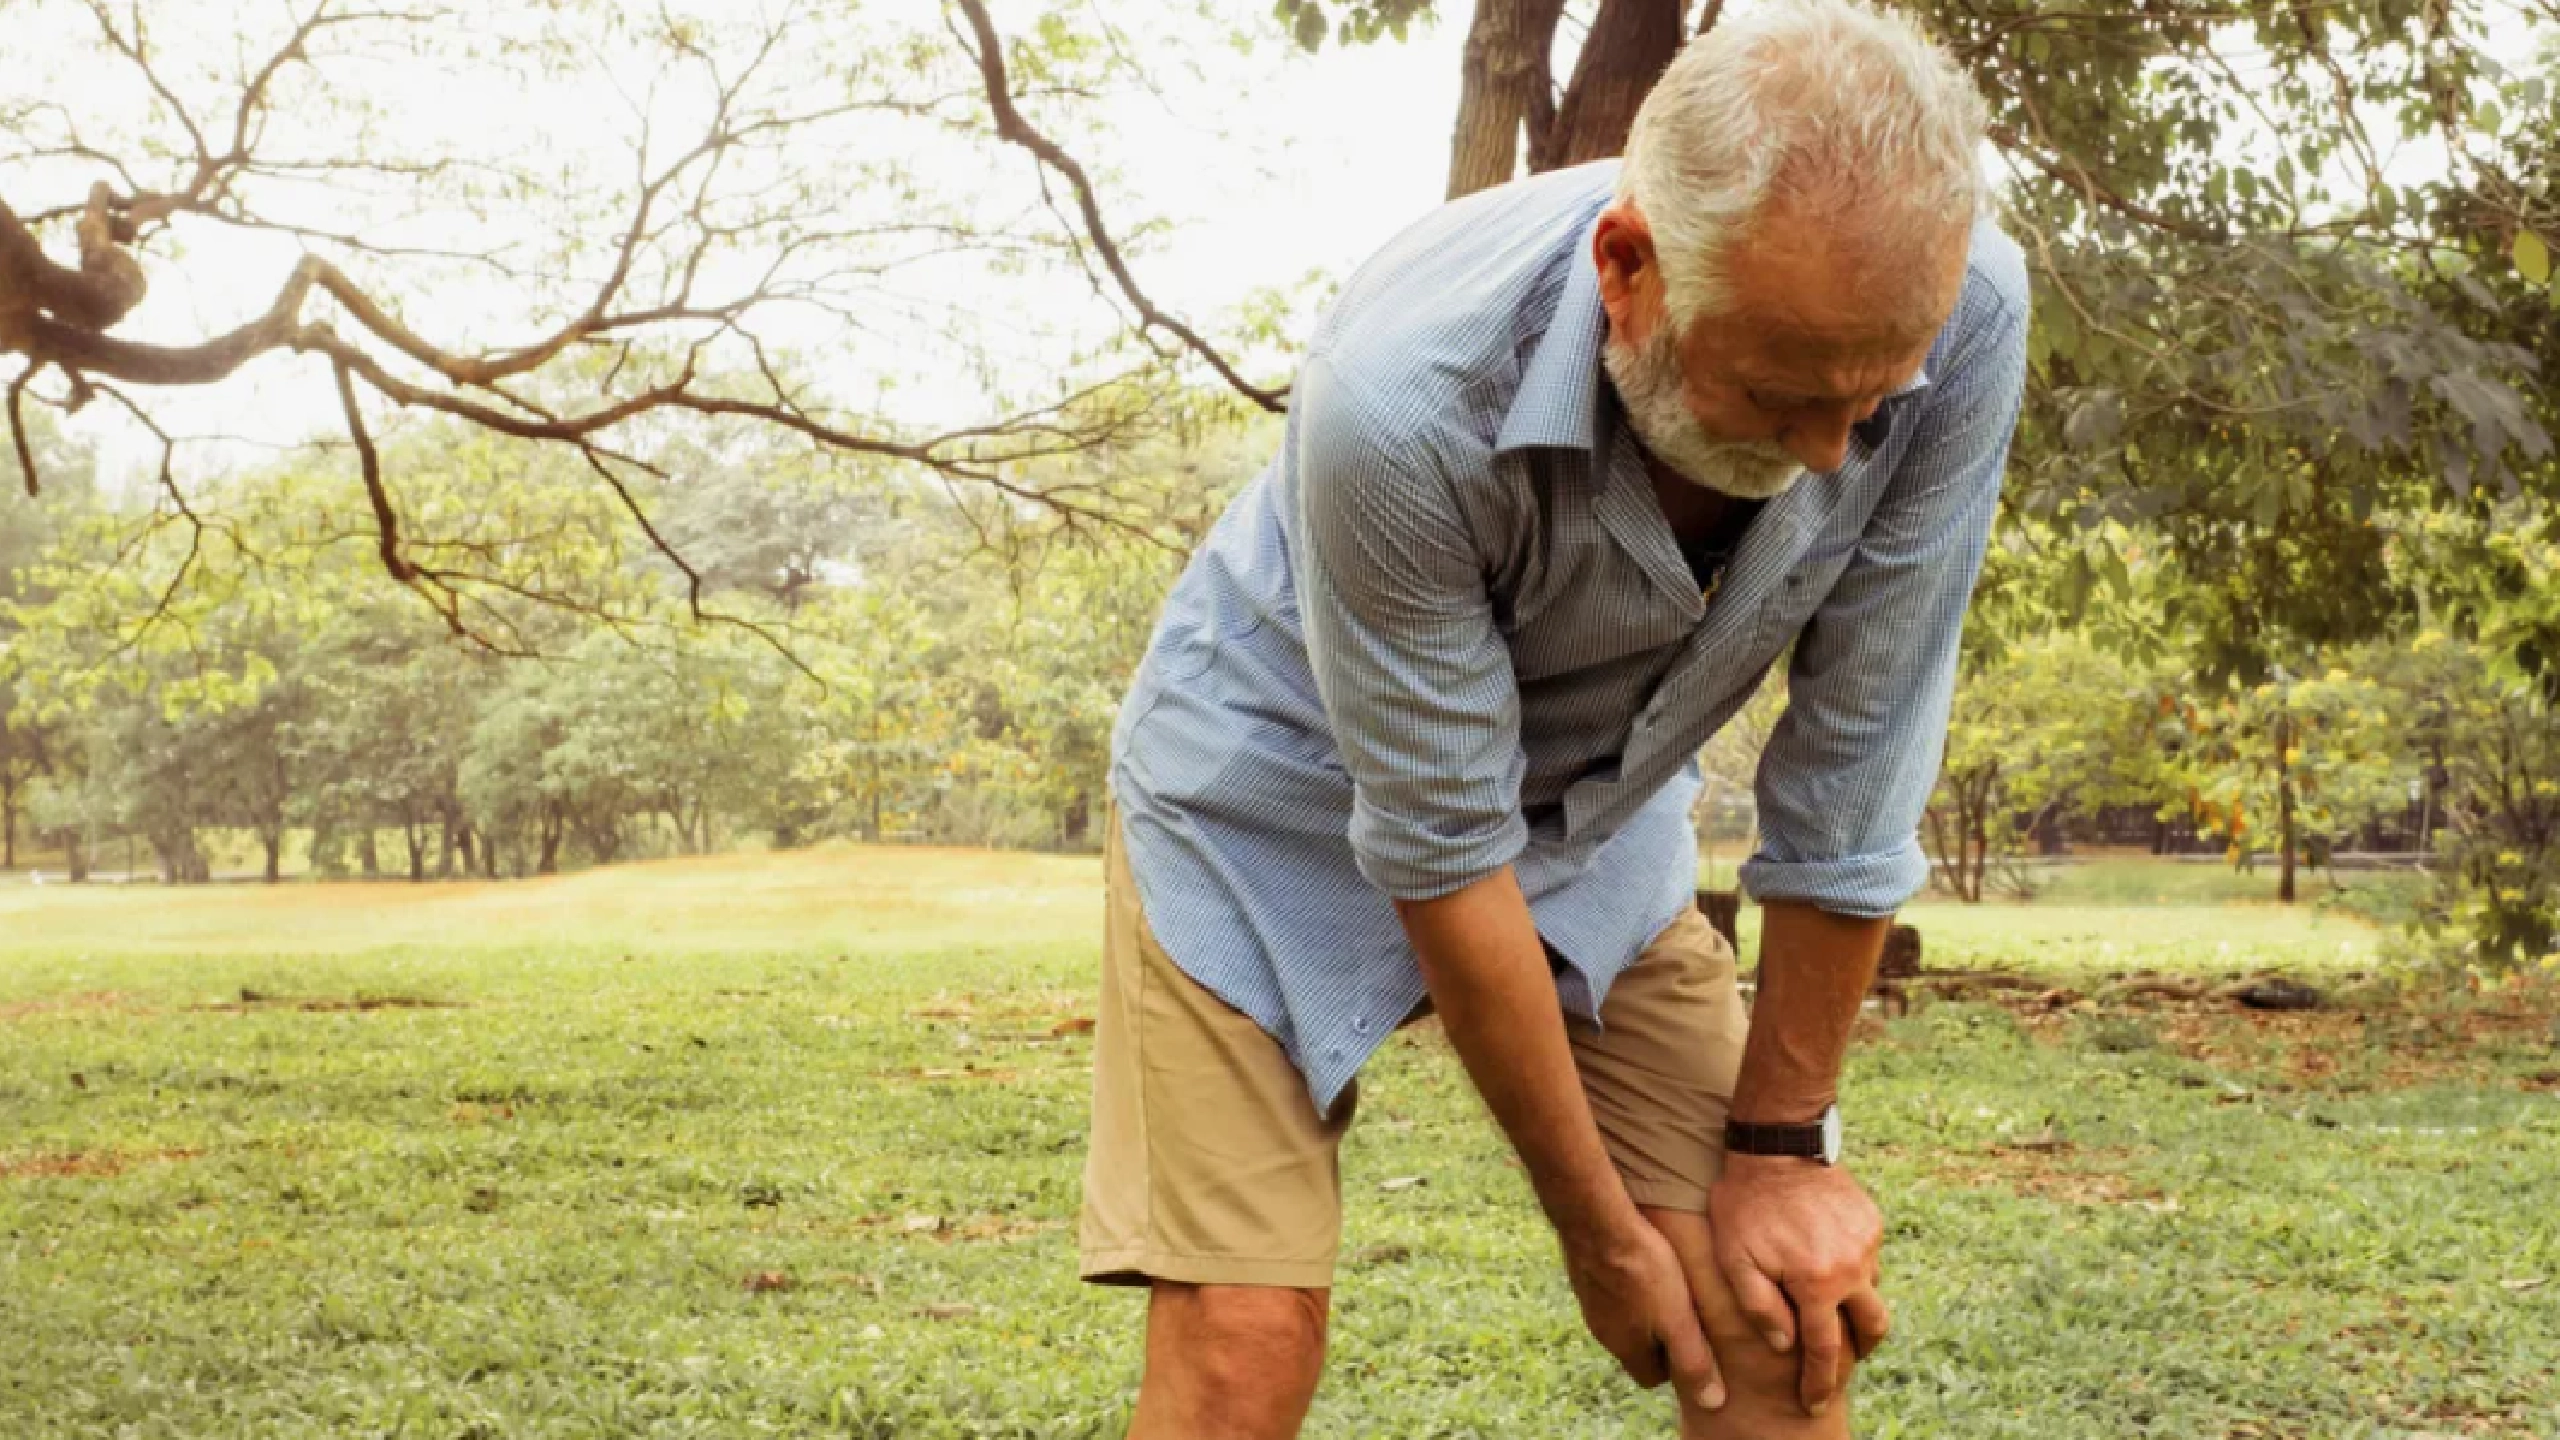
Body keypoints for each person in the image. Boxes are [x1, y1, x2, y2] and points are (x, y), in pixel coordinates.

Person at [1078, 1, 2028, 1434]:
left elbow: (1860, 757)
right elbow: (1447, 848)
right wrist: (1593, 1227)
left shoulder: (1964, 318)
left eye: (1871, 404)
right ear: (1629, 268)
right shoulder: (1397, 396)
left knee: (1764, 1311)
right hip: (1263, 794)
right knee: (1244, 1337)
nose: (1838, 455)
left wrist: (1781, 1149)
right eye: (1781, 395)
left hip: (1597, 804)